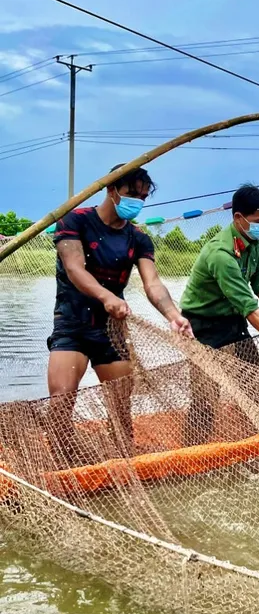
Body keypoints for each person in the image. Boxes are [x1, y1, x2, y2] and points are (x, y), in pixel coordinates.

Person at [47, 163, 193, 465]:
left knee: (120, 402)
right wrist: (105, 296)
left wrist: (173, 315)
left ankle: (124, 463)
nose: (137, 202)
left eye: (142, 196)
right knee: (61, 401)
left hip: (111, 328)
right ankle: (63, 462)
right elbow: (75, 269)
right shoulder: (75, 220)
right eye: (131, 194)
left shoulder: (138, 238)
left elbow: (153, 284)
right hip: (72, 323)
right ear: (111, 190)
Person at [179, 184, 259, 445]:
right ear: (238, 218)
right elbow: (249, 307)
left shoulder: (258, 243)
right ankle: (192, 456)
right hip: (201, 326)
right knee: (205, 397)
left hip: (234, 321)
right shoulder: (221, 254)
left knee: (255, 388)